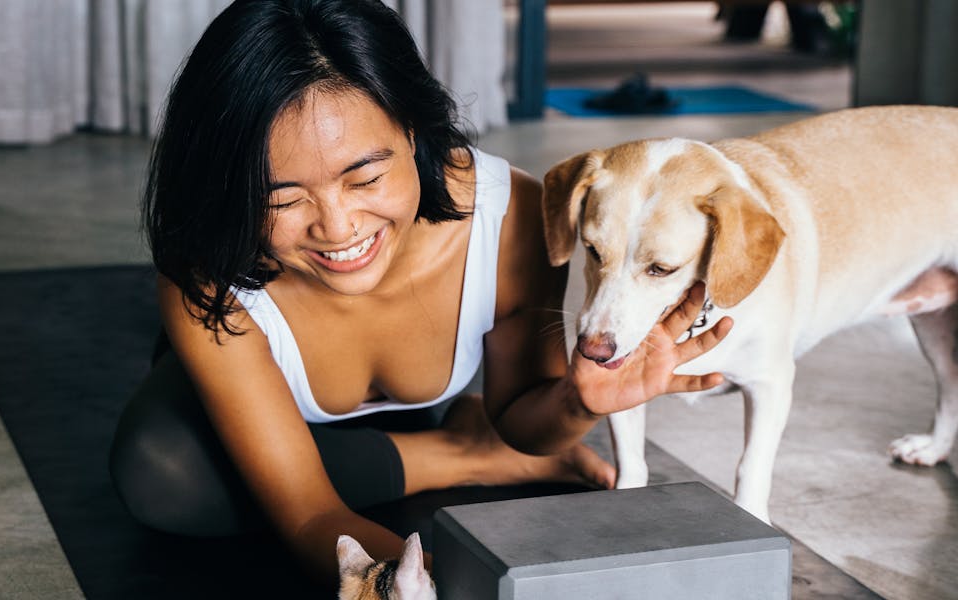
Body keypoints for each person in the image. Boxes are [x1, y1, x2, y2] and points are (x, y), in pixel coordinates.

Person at [108, 0, 732, 589]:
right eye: (283, 198)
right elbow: (307, 514)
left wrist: (578, 400)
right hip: (243, 405)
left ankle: (448, 444)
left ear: (414, 132)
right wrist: (417, 586)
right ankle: (454, 451)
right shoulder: (207, 274)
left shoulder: (508, 217)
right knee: (163, 473)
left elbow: (524, 423)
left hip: (405, 411)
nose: (338, 227)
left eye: (367, 177)